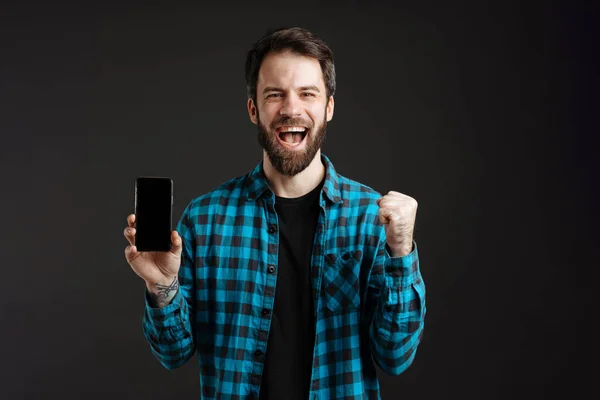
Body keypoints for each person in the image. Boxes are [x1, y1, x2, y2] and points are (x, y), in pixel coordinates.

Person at [123, 27, 426, 400]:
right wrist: (161, 286)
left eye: (307, 94)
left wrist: (402, 254)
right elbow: (173, 353)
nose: (291, 109)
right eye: (275, 95)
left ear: (329, 107)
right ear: (254, 109)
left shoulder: (372, 218)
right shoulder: (205, 219)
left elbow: (395, 356)